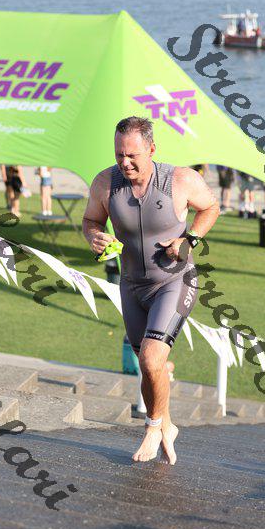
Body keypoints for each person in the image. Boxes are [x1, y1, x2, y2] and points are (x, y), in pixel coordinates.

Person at [82, 116, 219, 465]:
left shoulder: (180, 180)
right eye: (119, 154)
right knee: (149, 367)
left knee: (151, 358)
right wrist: (94, 236)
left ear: (152, 149)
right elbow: (90, 220)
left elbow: (211, 206)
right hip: (131, 285)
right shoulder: (105, 183)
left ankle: (153, 427)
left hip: (174, 281)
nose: (125, 162)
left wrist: (190, 238)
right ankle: (168, 425)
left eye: (133, 155)